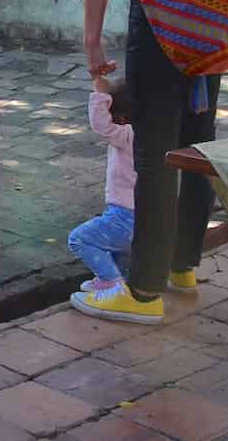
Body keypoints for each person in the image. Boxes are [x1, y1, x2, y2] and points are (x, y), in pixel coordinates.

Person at [52, 0, 224, 325]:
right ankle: (182, 266)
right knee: (196, 142)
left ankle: (142, 292)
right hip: (212, 6)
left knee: (153, 148)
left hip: (163, 10)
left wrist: (91, 40)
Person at [69, 77, 135, 295]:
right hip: (146, 214)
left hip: (125, 215)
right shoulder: (154, 133)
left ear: (121, 118)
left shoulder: (128, 134)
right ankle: (122, 284)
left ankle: (112, 283)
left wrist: (100, 94)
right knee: (120, 253)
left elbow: (101, 126)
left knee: (79, 239)